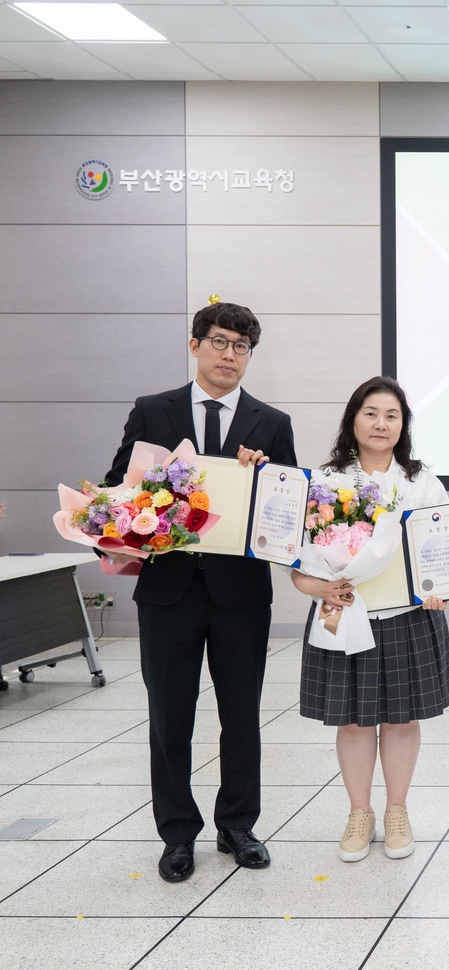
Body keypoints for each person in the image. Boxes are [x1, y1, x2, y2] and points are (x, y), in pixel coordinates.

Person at [102, 299, 296, 883]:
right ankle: (177, 834)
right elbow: (115, 491)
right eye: (219, 342)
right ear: (195, 345)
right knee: (170, 716)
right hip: (169, 590)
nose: (229, 355)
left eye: (242, 347)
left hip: (241, 594)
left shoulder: (271, 422)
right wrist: (133, 519)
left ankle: (237, 825)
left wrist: (264, 477)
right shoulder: (152, 410)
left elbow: (287, 510)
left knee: (241, 715)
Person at [291, 376, 449, 863]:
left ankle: (397, 811)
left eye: (392, 415)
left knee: (401, 719)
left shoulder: (422, 482)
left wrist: (442, 588)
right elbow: (297, 563)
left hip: (408, 617)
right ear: (353, 420)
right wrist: (319, 588)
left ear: (403, 425)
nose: (381, 424)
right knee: (353, 722)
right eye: (371, 413)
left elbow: (445, 552)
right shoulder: (324, 482)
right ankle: (359, 813)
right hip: (344, 614)